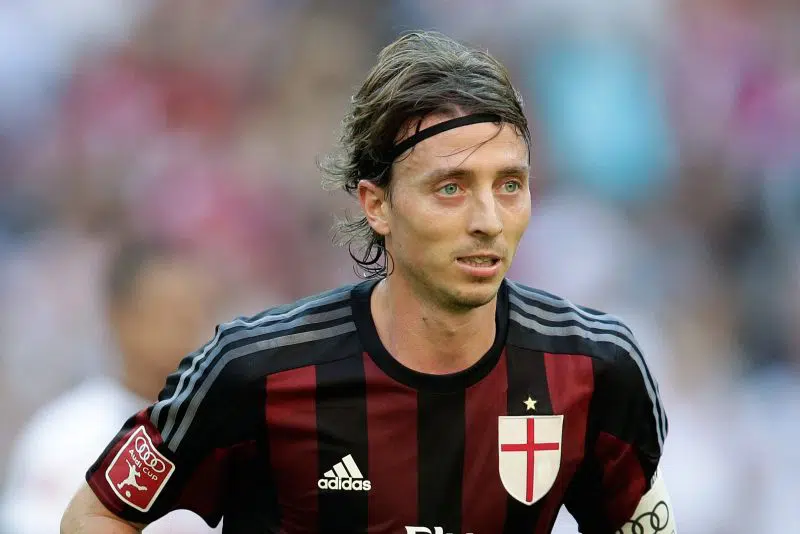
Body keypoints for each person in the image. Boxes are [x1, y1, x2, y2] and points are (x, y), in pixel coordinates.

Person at [61, 31, 676, 534]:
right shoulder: (254, 370)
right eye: (451, 187)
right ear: (376, 204)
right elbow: (98, 515)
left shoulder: (595, 369)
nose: (489, 220)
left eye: (509, 185)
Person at [0, 240, 222, 534]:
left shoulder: (230, 435)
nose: (183, 330)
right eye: (166, 313)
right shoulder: (63, 439)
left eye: (194, 313)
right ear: (118, 316)